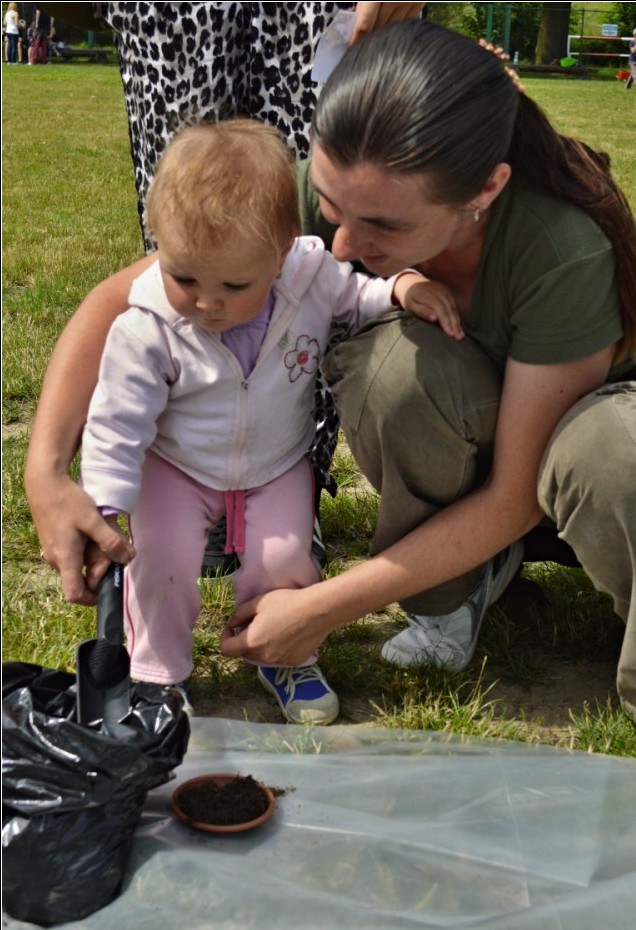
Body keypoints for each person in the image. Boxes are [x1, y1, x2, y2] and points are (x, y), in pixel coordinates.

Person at [24, 23, 636, 736]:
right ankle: (457, 587)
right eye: (327, 206)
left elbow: (516, 493)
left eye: (382, 227)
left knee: (613, 455)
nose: (340, 247)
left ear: (484, 190)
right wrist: (46, 470)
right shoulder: (359, 184)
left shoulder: (560, 248)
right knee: (394, 371)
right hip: (501, 438)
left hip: (602, 445)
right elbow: (117, 301)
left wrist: (325, 608)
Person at [74, 118, 460, 725]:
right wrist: (102, 508)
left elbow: (354, 296)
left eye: (233, 284)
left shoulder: (309, 278)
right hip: (176, 468)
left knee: (284, 563)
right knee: (162, 564)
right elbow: (117, 426)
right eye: (184, 277)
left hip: (276, 465)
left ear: (280, 255)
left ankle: (286, 652)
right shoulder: (147, 327)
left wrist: (401, 288)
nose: (207, 302)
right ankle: (156, 675)